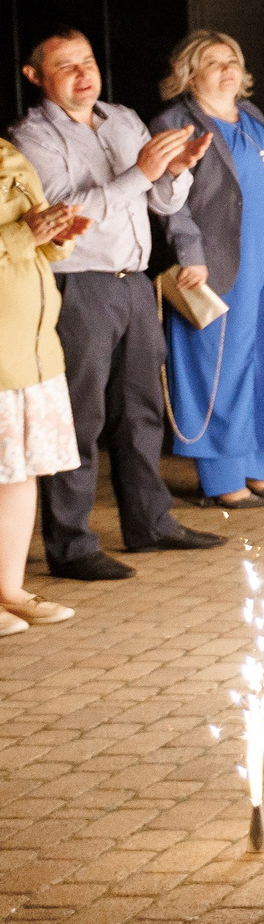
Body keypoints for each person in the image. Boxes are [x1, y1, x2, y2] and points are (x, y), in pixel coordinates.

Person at [10, 30, 222, 580]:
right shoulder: (31, 137)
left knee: (141, 410)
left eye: (88, 61)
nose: (84, 74)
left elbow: (159, 200)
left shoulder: (124, 120)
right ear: (35, 77)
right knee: (81, 416)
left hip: (133, 281)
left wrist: (175, 174)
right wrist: (144, 173)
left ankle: (150, 522)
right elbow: (68, 210)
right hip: (79, 284)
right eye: (66, 66)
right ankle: (72, 545)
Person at [151, 31, 264, 507]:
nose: (227, 69)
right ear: (190, 72)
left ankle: (257, 468)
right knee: (220, 365)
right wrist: (190, 255)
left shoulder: (253, 117)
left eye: (233, 60)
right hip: (218, 262)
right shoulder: (175, 121)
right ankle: (224, 476)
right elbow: (168, 200)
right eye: (213, 61)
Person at [0, 136, 86, 636]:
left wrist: (57, 233)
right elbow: (16, 237)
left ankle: (10, 590)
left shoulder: (9, 153)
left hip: (32, 352)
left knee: (19, 472)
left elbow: (42, 249)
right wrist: (21, 235)